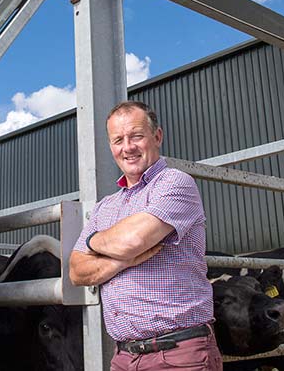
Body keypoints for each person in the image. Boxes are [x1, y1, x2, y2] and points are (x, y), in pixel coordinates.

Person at [69, 100, 222, 371]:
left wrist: (94, 240)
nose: (127, 147)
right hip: (124, 357)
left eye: (136, 136)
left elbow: (132, 241)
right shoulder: (106, 206)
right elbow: (77, 270)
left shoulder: (175, 183)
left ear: (157, 136)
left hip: (178, 354)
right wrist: (122, 262)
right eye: (118, 140)